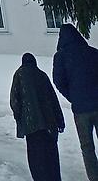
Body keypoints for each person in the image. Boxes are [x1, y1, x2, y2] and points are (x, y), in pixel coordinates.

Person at [10, 52, 65, 181]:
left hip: (31, 125)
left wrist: (20, 119)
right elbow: (53, 99)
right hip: (49, 124)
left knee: (36, 156)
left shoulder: (19, 75)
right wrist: (60, 121)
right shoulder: (42, 75)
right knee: (51, 156)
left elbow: (14, 101)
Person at [53, 24, 98, 181]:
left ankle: (94, 177)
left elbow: (58, 81)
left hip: (80, 110)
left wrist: (73, 96)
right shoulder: (93, 53)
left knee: (87, 147)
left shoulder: (60, 57)